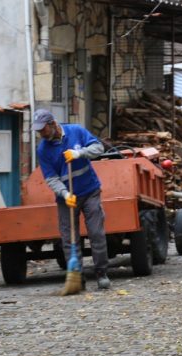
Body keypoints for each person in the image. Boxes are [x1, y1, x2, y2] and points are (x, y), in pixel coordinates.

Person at [33, 109, 110, 294]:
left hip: (90, 190)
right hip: (67, 198)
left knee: (96, 233)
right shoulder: (43, 149)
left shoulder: (76, 131)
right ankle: (78, 278)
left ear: (52, 124)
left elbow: (99, 148)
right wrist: (65, 194)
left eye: (42, 129)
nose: (41, 134)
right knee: (69, 239)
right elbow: (51, 178)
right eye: (38, 131)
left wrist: (79, 153)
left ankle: (102, 274)